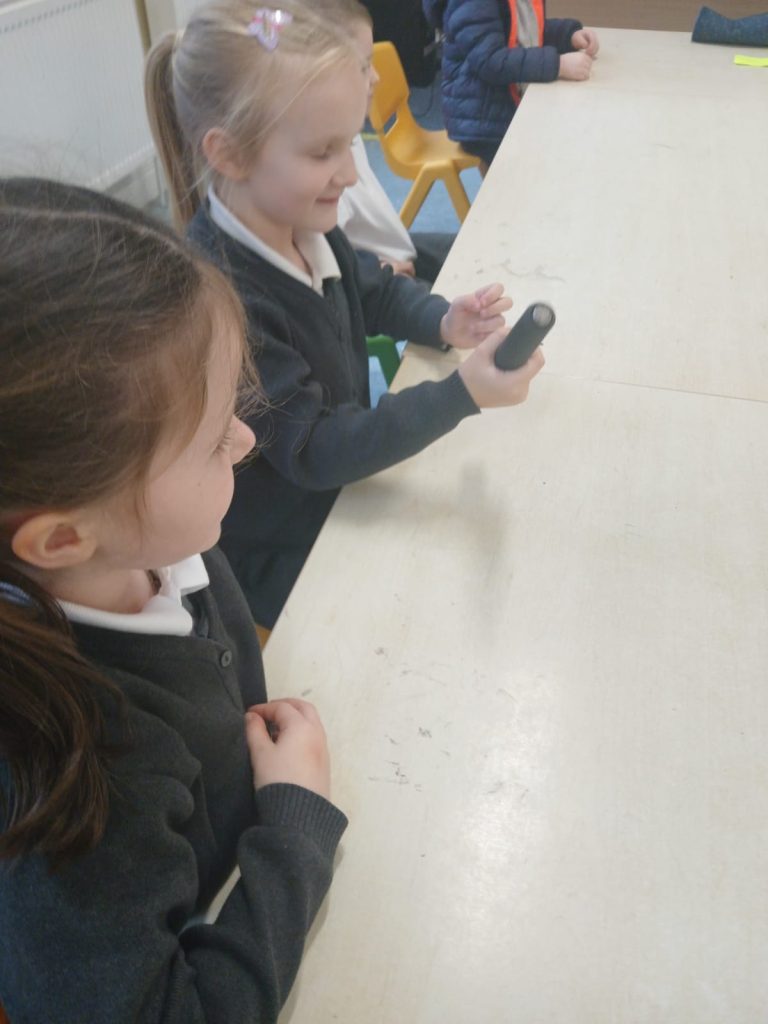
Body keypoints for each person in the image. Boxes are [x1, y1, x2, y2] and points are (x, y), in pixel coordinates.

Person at [0, 177, 347, 1024]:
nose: (247, 438)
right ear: (63, 539)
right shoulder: (82, 790)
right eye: (213, 439)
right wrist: (295, 828)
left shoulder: (158, 543)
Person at [145, 0, 545, 631]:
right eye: (323, 152)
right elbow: (315, 447)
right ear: (229, 155)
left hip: (339, 495)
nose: (353, 174)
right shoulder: (224, 302)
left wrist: (443, 319)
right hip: (282, 550)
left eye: (351, 142)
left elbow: (374, 290)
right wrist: (460, 394)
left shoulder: (303, 220)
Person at [330, 0, 456, 286]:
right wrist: (376, 272)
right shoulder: (319, 162)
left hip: (396, 252)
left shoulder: (347, 132)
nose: (376, 77)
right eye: (364, 67)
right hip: (379, 275)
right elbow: (329, 259)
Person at [422, 0, 600, 170]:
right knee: (552, 154)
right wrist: (558, 64)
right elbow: (491, 61)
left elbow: (526, 33)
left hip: (501, 106)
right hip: (482, 120)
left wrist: (569, 36)